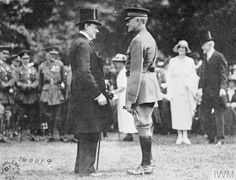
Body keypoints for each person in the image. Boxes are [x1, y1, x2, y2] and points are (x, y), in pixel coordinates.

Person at [69, 8, 113, 176]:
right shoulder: (83, 44)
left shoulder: (79, 43)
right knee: (90, 131)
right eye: (95, 27)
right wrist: (98, 93)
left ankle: (81, 167)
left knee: (86, 131)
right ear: (87, 25)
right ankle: (87, 169)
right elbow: (85, 72)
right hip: (87, 97)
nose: (97, 30)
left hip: (82, 95)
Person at [124, 7, 162, 175]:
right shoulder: (148, 37)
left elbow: (136, 72)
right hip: (149, 84)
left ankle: (146, 164)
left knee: (142, 124)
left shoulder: (139, 40)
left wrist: (130, 99)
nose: (127, 23)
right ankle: (148, 162)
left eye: (129, 20)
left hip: (142, 85)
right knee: (145, 124)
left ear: (140, 21)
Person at [197, 31, 228, 145]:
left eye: (204, 45)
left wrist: (223, 88)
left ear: (210, 45)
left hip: (217, 91)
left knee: (219, 114)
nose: (202, 47)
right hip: (207, 91)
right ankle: (211, 138)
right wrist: (200, 88)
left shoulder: (219, 56)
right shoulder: (205, 58)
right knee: (207, 114)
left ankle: (220, 138)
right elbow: (202, 75)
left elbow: (224, 73)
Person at [166, 40, 199, 145]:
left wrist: (189, 84)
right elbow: (169, 77)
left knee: (186, 112)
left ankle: (185, 135)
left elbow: (193, 76)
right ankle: (179, 135)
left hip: (186, 89)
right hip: (176, 89)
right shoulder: (172, 61)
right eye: (179, 47)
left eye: (183, 48)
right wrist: (169, 90)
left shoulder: (190, 61)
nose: (181, 49)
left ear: (186, 50)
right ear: (177, 49)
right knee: (177, 112)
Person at [38, 46, 67, 142]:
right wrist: (41, 93)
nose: (53, 56)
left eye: (55, 54)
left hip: (57, 92)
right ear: (47, 55)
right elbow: (40, 82)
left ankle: (62, 134)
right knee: (48, 115)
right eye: (51, 54)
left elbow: (63, 79)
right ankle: (49, 135)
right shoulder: (42, 66)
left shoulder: (60, 65)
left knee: (59, 115)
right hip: (46, 93)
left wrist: (62, 85)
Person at [14, 50, 39, 141]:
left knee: (32, 115)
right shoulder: (18, 70)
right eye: (24, 58)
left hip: (31, 96)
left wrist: (32, 86)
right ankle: (18, 134)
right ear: (20, 59)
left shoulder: (33, 70)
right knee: (20, 116)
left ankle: (32, 134)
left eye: (27, 58)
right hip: (22, 96)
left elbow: (37, 80)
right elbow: (16, 82)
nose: (26, 60)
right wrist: (25, 86)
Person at [111, 53, 137, 141]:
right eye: (116, 62)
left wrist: (114, 91)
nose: (116, 64)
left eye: (118, 62)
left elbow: (123, 86)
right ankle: (127, 133)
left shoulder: (125, 72)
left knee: (126, 114)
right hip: (122, 96)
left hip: (125, 95)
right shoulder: (122, 72)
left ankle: (130, 134)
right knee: (123, 114)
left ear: (123, 63)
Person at [0, 47, 15, 143]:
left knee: (7, 115)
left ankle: (3, 135)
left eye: (7, 54)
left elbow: (13, 78)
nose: (6, 55)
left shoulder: (8, 67)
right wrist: (2, 84)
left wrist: (8, 84)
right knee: (0, 114)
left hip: (7, 95)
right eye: (4, 53)